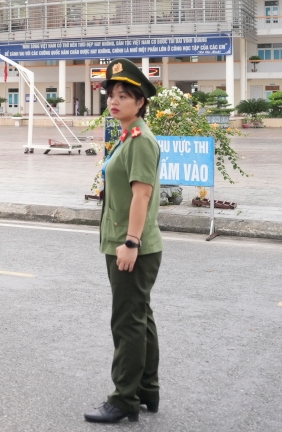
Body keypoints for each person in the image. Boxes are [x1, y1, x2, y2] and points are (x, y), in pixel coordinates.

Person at [84, 59, 163, 424]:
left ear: (140, 101)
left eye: (124, 95)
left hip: (133, 246)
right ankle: (147, 389)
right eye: (111, 95)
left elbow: (142, 197)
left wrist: (130, 242)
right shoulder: (127, 136)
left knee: (127, 322)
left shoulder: (140, 141)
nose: (114, 101)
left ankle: (123, 399)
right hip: (128, 242)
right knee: (140, 316)